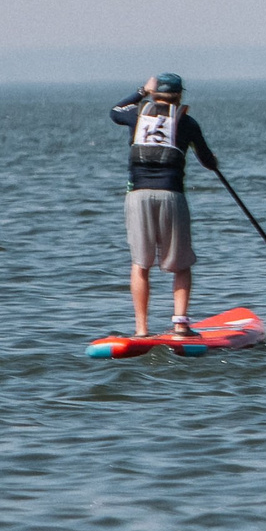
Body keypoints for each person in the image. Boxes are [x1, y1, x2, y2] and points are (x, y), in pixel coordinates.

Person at [108, 73, 220, 339]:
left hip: (138, 195)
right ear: (179, 96)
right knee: (181, 264)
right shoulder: (187, 122)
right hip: (171, 195)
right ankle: (181, 325)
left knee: (140, 263)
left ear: (155, 94)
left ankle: (141, 329)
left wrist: (140, 91)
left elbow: (114, 111)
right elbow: (207, 160)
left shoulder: (136, 115)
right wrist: (214, 161)